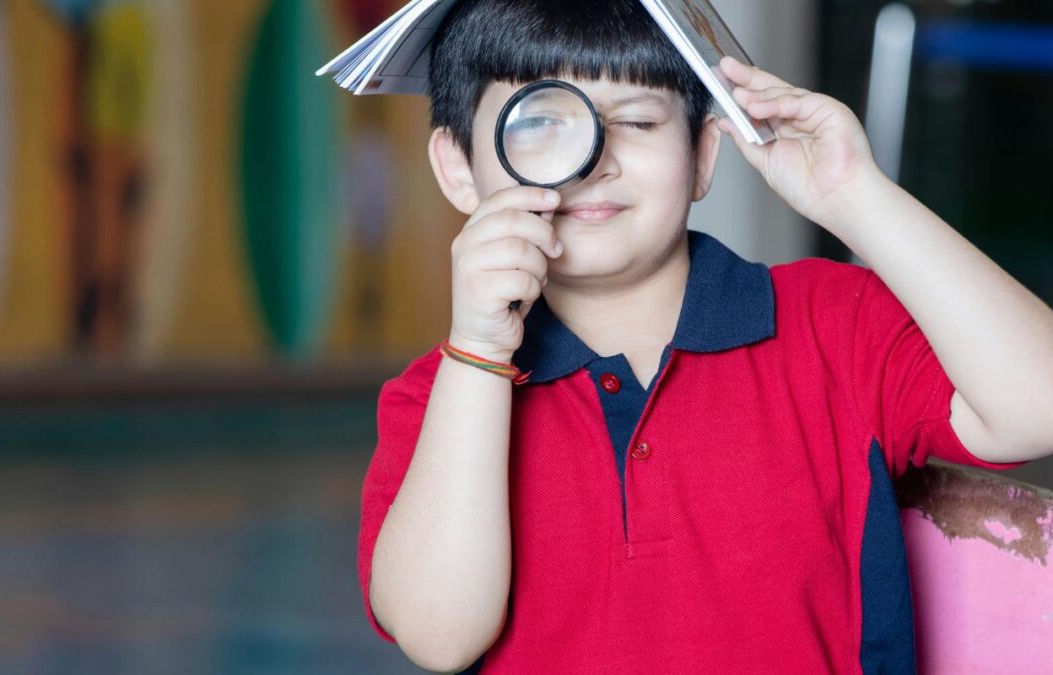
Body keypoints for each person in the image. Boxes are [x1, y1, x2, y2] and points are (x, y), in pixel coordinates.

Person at [355, 0, 1053, 672]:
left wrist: (854, 194)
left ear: (704, 154)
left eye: (637, 122)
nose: (595, 160)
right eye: (540, 122)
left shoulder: (832, 327)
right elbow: (437, 635)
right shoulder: (441, 397)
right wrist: (478, 349)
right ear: (457, 167)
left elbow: (1038, 403)